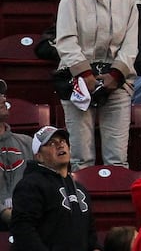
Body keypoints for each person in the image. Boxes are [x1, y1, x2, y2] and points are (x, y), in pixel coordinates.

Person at [56, 0, 137, 166]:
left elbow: (131, 45)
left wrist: (115, 75)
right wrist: (85, 75)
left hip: (117, 82)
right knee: (81, 159)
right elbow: (65, 41)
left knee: (118, 160)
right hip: (78, 83)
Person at [11, 127, 93, 251]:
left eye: (63, 141)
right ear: (39, 157)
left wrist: (95, 247)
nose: (60, 145)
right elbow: (23, 231)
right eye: (52, 143)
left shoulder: (80, 189)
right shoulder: (30, 185)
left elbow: (90, 231)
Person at [0, 80, 34, 222]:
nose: (3, 98)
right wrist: (3, 213)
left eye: (2, 94)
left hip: (30, 220)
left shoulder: (28, 143)